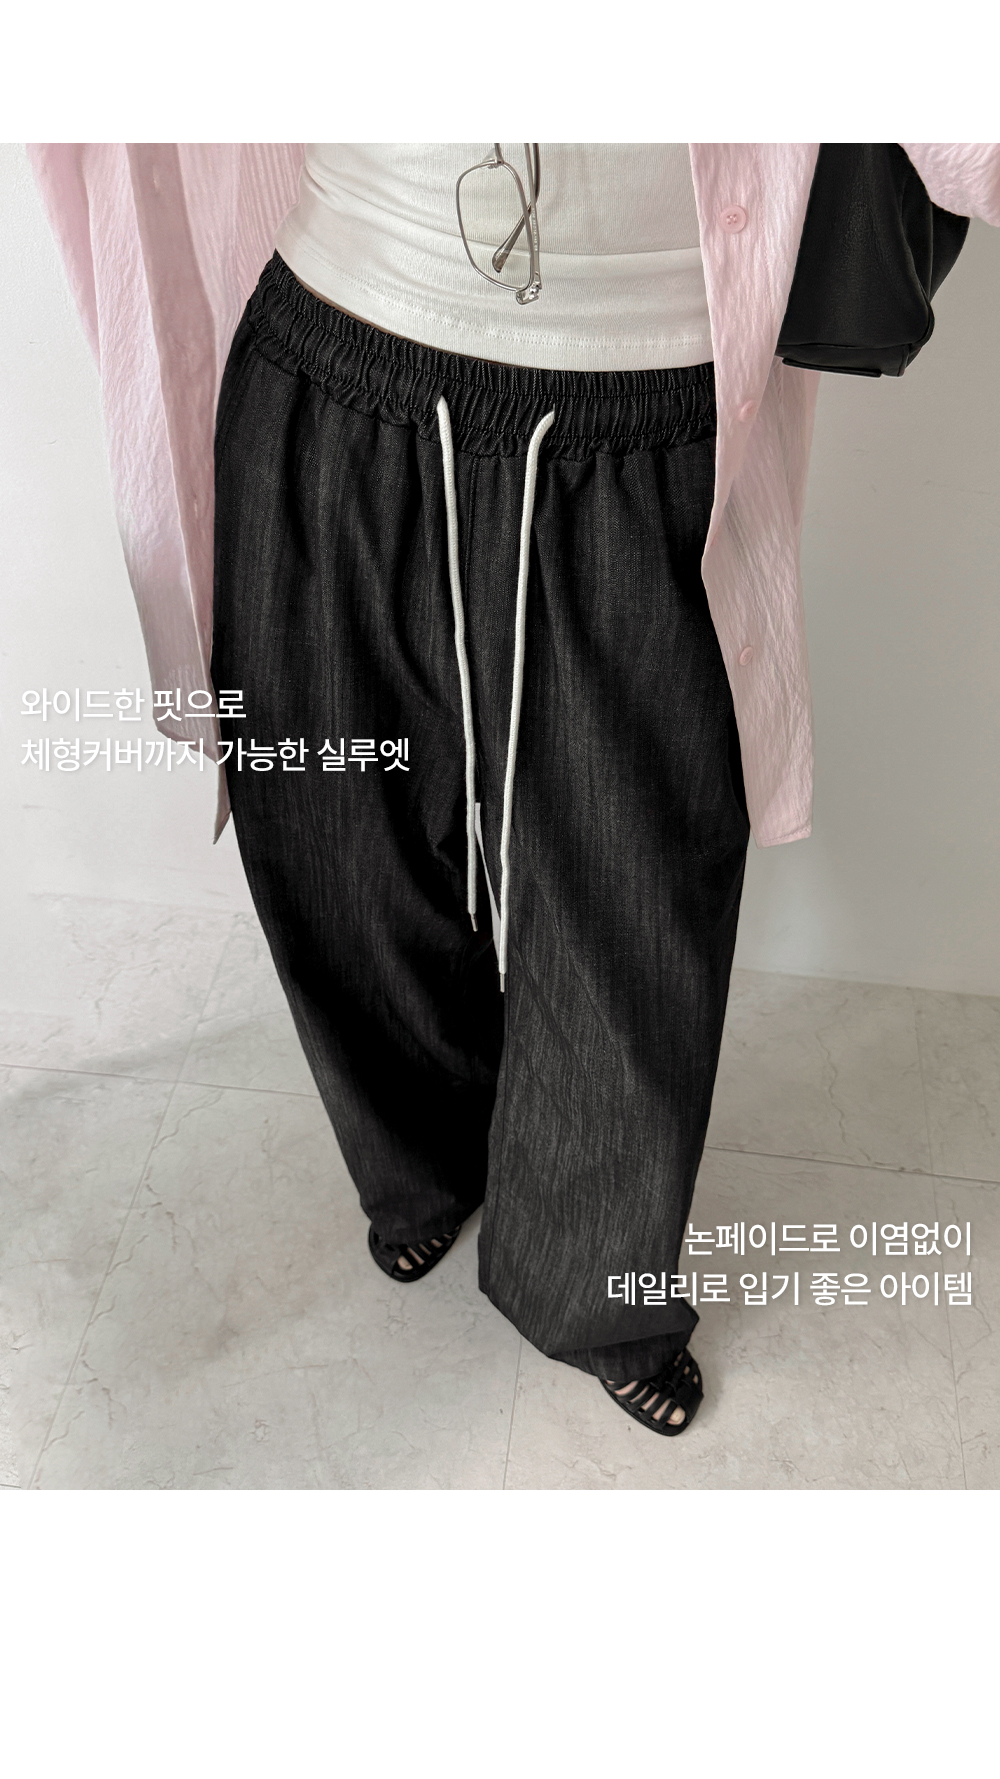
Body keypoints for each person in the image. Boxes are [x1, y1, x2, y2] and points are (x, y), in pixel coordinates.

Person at [30, 141, 1000, 1438]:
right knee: (332, 839)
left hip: (644, 410)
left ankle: (587, 1278)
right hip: (330, 348)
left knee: (628, 898)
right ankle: (421, 1155)